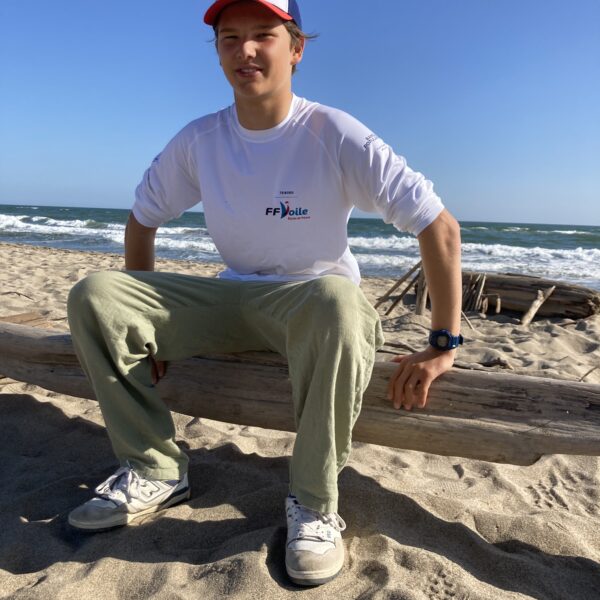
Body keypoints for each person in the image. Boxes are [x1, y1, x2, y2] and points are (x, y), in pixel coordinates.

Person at [66, 0, 462, 587]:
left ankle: (313, 504)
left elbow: (439, 226)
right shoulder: (201, 139)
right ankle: (153, 468)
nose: (245, 51)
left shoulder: (332, 132)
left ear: (296, 48)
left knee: (339, 301)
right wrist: (148, 327)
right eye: (229, 38)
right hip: (231, 300)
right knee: (96, 295)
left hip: (311, 307)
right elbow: (142, 219)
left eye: (263, 35)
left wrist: (444, 343)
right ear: (217, 52)